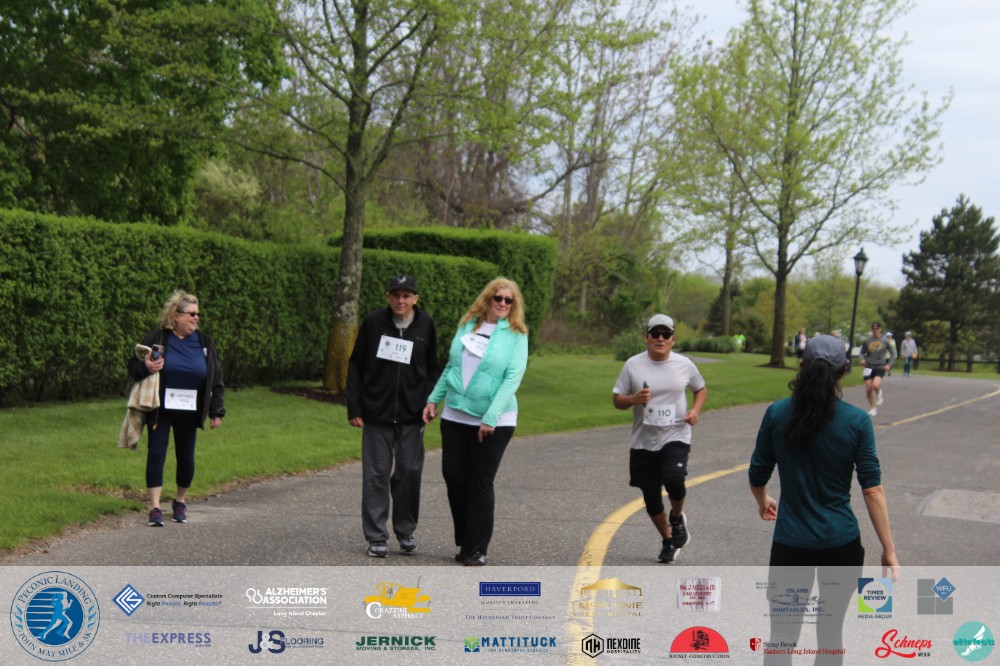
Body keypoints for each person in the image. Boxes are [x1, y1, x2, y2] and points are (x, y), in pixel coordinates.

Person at [749, 335, 899, 665]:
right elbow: (872, 489)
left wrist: (763, 501)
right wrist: (888, 549)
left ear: (802, 367)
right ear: (843, 372)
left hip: (791, 544)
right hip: (841, 543)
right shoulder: (857, 421)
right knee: (830, 635)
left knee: (782, 636)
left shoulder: (777, 413)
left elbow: (758, 473)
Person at [422, 277, 529, 567]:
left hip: (495, 420)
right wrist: (433, 399)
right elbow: (451, 366)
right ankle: (466, 539)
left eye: (509, 300)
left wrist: (490, 416)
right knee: (454, 477)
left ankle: (476, 548)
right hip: (455, 414)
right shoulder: (468, 325)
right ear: (488, 299)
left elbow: (512, 378)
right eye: (498, 298)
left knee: (480, 481)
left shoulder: (517, 334)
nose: (503, 304)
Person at [347, 274, 438, 558]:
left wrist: (430, 400)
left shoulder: (426, 324)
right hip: (377, 413)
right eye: (396, 295)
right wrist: (354, 406)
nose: (401, 300)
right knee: (376, 475)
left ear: (415, 299)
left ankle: (405, 530)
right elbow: (356, 364)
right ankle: (376, 536)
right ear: (388, 296)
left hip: (412, 415)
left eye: (406, 295)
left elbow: (433, 368)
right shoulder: (374, 322)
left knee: (409, 472)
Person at [613, 314, 707, 564]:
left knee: (674, 479)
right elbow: (617, 399)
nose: (661, 338)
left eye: (666, 334)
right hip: (643, 440)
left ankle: (676, 517)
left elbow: (700, 388)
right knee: (651, 495)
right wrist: (634, 399)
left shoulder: (684, 364)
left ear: (673, 339)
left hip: (676, 433)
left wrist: (695, 410)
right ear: (647, 337)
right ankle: (668, 540)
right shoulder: (633, 365)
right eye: (656, 334)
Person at [128, 290, 224, 526]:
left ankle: (180, 501)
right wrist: (147, 367)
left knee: (186, 458)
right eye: (191, 314)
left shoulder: (205, 343)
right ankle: (155, 507)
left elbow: (216, 379)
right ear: (176, 316)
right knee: (156, 454)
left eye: (197, 314)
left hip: (190, 411)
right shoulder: (158, 338)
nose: (196, 318)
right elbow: (132, 367)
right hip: (160, 408)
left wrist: (216, 411)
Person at [859, 322, 895, 417]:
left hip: (880, 366)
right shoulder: (868, 340)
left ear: (880, 329)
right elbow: (862, 352)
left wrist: (889, 365)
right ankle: (873, 408)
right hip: (868, 366)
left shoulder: (885, 341)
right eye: (873, 328)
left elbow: (893, 354)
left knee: (875, 385)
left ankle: (879, 392)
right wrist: (862, 359)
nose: (875, 330)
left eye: (877, 328)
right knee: (868, 389)